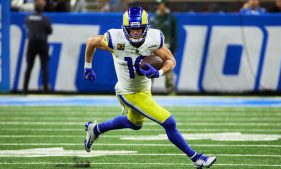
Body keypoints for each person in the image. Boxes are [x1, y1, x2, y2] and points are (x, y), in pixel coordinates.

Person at [83, 7, 216, 168]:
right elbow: (92, 42)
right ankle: (196, 158)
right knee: (169, 122)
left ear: (146, 28)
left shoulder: (153, 38)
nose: (136, 33)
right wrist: (88, 66)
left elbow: (171, 60)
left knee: (134, 124)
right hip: (128, 91)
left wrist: (159, 72)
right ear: (125, 29)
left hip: (144, 88)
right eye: (132, 30)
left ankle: (95, 129)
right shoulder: (114, 38)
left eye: (139, 29)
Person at [23, 0, 52, 93]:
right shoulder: (44, 18)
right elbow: (50, 30)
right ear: (42, 8)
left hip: (31, 43)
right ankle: (45, 89)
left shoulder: (28, 17)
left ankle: (25, 88)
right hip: (42, 43)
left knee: (29, 66)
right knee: (44, 67)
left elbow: (27, 26)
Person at [150, 0, 177, 95]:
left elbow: (174, 35)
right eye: (157, 4)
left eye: (160, 4)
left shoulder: (171, 18)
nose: (158, 6)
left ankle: (171, 90)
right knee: (151, 65)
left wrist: (173, 48)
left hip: (167, 47)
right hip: (154, 47)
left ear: (164, 5)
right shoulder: (154, 17)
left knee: (169, 67)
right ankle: (148, 90)